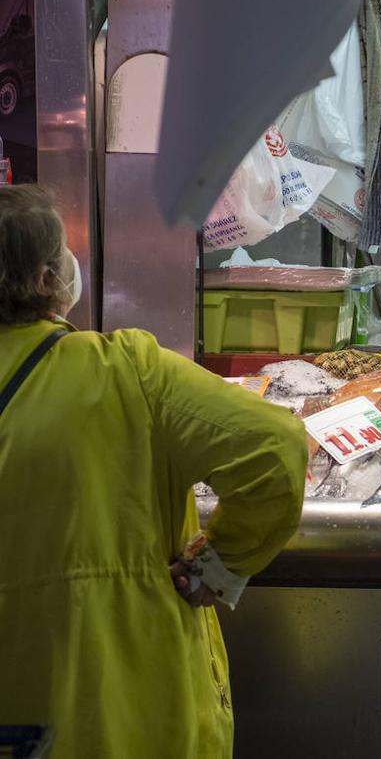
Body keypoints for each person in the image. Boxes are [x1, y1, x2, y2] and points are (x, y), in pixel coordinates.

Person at [0, 185, 308, 757]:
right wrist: (219, 565)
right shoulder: (126, 370)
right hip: (131, 714)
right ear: (48, 280)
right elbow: (276, 448)